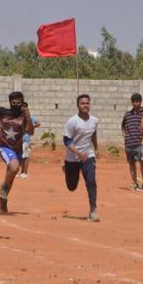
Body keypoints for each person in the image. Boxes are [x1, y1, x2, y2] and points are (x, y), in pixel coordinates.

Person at [0, 92, 34, 213]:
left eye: (18, 103)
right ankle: (3, 192)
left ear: (22, 103)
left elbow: (30, 132)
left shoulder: (24, 115)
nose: (16, 105)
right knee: (14, 167)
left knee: (11, 175)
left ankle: (3, 199)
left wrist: (28, 116)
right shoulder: (2, 112)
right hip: (4, 146)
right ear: (10, 102)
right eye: (13, 103)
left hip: (18, 149)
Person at [63, 94, 100, 222]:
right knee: (71, 187)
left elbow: (93, 134)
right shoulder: (72, 121)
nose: (85, 105)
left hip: (88, 155)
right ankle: (66, 169)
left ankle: (93, 210)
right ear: (77, 105)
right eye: (82, 103)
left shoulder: (94, 120)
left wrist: (96, 148)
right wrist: (78, 153)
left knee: (91, 181)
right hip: (72, 157)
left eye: (87, 103)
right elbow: (66, 141)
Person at [121, 93, 143, 189]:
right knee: (131, 164)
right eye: (134, 102)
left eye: (137, 101)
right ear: (132, 102)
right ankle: (134, 182)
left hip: (141, 144)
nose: (136, 104)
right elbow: (123, 125)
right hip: (129, 143)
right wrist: (125, 136)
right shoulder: (127, 114)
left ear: (140, 102)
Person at [18, 107, 40, 179]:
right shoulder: (18, 118)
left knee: (25, 156)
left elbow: (38, 123)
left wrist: (31, 127)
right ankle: (21, 172)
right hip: (18, 141)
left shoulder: (29, 118)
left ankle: (25, 173)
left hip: (26, 140)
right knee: (20, 156)